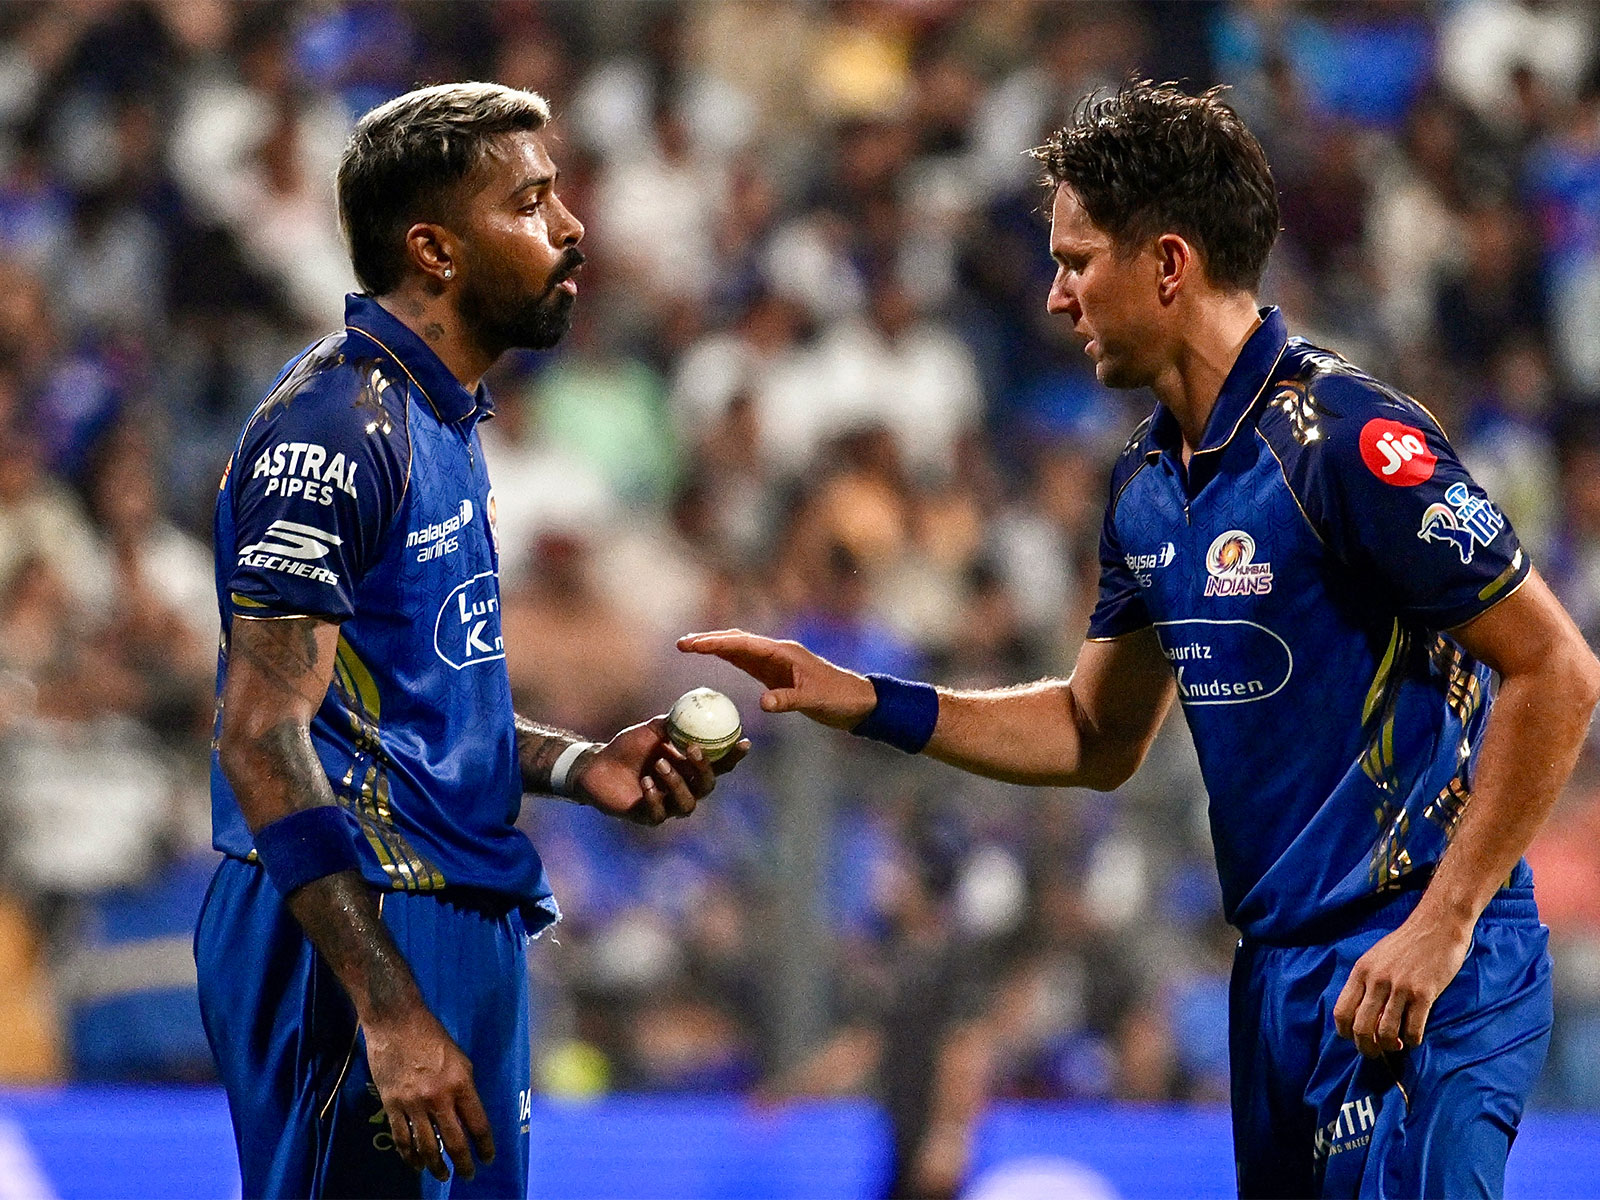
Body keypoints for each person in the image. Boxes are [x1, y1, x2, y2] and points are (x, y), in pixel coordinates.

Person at [681, 81, 1600, 1199]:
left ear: (1167, 264)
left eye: (1077, 261)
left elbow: (1555, 667)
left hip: (1421, 951)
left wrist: (1443, 924)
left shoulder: (1352, 441)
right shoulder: (1145, 486)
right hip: (1278, 979)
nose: (1058, 295)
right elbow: (1091, 732)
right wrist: (870, 698)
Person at [196, 82, 747, 1199]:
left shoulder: (435, 418)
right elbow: (261, 735)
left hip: (451, 907)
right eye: (531, 200)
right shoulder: (334, 429)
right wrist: (388, 1008)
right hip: (361, 925)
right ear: (436, 250)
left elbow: (410, 703)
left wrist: (578, 763)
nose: (571, 224)